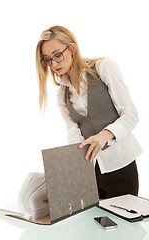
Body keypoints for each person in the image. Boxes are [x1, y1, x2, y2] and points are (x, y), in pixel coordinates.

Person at [36, 25, 142, 199]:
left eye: (57, 55)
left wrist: (104, 135)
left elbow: (130, 114)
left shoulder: (103, 67)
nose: (53, 64)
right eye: (47, 59)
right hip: (89, 173)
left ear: (72, 49)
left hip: (121, 165)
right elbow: (73, 131)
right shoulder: (61, 95)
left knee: (124, 224)